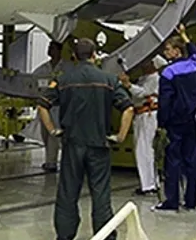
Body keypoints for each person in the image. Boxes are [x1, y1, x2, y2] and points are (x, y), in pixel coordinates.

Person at [37, 38, 134, 240]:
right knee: (101, 194)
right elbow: (128, 108)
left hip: (72, 145)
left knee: (68, 192)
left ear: (74, 56)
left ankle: (65, 234)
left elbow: (42, 105)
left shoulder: (63, 79)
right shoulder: (109, 80)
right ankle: (105, 235)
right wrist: (120, 136)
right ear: (94, 55)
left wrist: (53, 130)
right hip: (99, 144)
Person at [152, 24, 196, 213]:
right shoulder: (195, 65)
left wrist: (161, 124)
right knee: (191, 160)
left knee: (172, 161)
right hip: (190, 120)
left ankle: (172, 201)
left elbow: (165, 101)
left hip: (174, 123)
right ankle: (191, 201)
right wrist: (184, 34)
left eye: (168, 49)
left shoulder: (168, 72)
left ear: (176, 51)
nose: (165, 53)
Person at [119, 56, 167, 196]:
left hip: (147, 116)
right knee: (145, 150)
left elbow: (142, 93)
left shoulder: (155, 78)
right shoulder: (144, 78)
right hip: (142, 116)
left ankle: (148, 185)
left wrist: (128, 85)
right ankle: (151, 182)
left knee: (144, 150)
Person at [32, 40, 65, 172]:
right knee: (45, 134)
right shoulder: (43, 68)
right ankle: (50, 160)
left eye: (53, 48)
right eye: (49, 47)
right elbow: (33, 81)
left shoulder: (66, 67)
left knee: (54, 135)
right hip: (44, 106)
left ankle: (51, 163)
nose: (49, 50)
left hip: (59, 106)